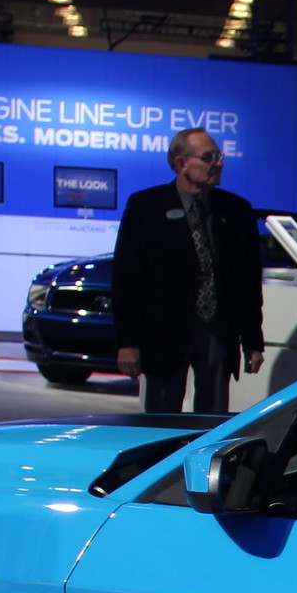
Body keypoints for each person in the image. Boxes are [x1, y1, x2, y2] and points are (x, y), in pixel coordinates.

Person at [112, 127, 265, 414]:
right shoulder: (145, 206)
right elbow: (127, 279)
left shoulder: (237, 210)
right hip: (164, 333)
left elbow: (247, 282)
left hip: (218, 329)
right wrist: (128, 342)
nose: (218, 163)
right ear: (182, 163)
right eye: (209, 157)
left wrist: (253, 341)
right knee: (161, 420)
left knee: (213, 419)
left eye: (219, 156)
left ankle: (207, 461)